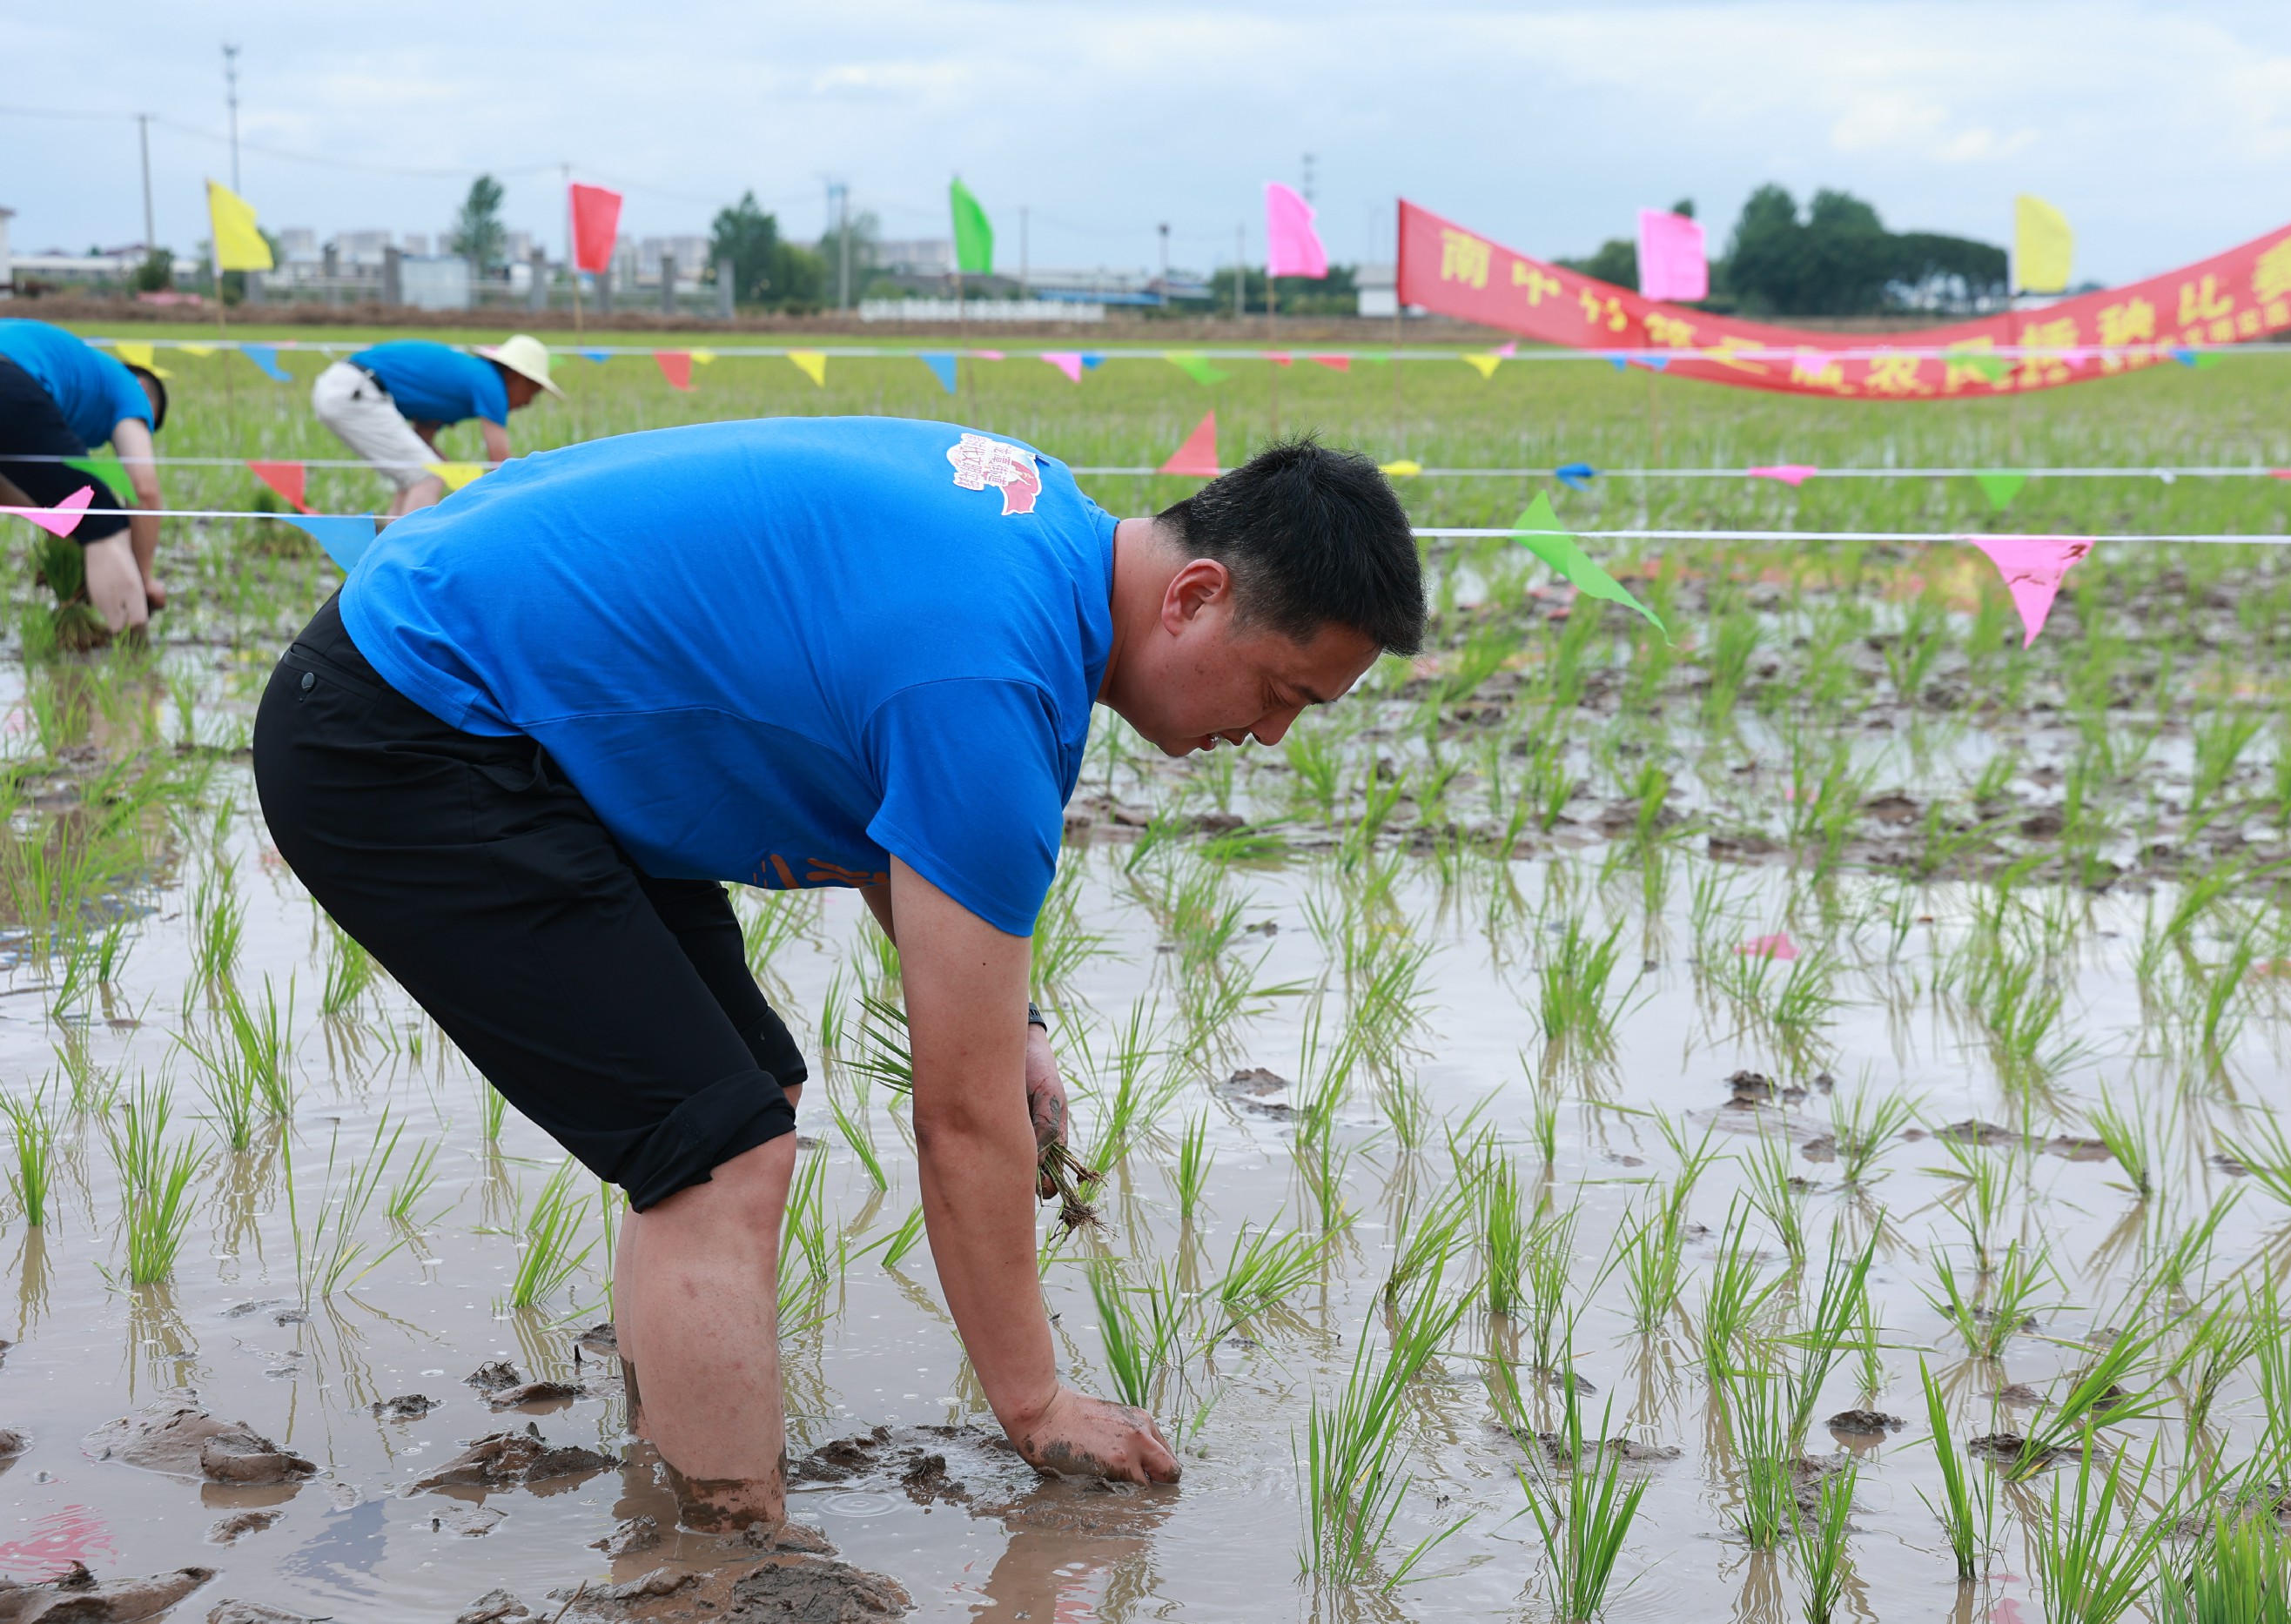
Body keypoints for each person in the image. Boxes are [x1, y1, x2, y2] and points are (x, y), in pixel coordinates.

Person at [252, 417, 1425, 1532]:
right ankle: (726, 1553)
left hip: (529, 716)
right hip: (410, 723)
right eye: (1280, 691)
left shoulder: (1041, 530)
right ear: (1197, 594)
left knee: (741, 1107)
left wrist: (1011, 1022)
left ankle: (675, 1484)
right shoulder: (993, 684)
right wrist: (1035, 1405)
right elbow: (961, 1122)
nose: (1271, 736)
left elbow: (896, 811)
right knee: (717, 1150)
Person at [0, 319, 168, 634]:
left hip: (12, 388)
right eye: (146, 421)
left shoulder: (69, 379)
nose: (141, 424)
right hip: (7, 381)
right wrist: (143, 578)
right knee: (102, 517)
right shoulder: (130, 388)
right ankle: (132, 649)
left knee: (71, 507)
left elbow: (49, 500)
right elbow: (144, 489)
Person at [310, 333, 561, 519]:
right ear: (516, 376)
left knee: (415, 476)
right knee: (427, 477)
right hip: (355, 390)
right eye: (533, 391)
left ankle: (383, 550)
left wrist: (455, 476)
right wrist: (523, 509)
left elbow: (423, 441)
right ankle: (403, 558)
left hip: (343, 386)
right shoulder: (490, 383)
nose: (529, 402)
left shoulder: (467, 380)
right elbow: (501, 464)